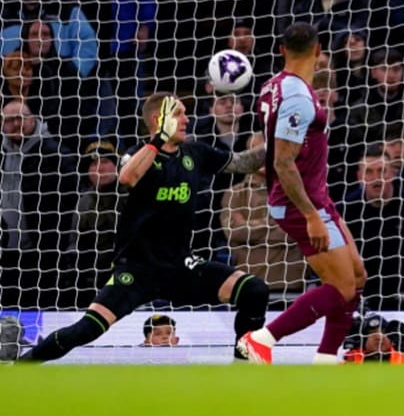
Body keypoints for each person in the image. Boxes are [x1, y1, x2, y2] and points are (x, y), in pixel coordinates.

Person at [19, 93, 271, 363]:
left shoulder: (195, 152)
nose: (187, 119)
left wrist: (279, 141)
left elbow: (243, 163)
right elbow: (128, 177)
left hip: (180, 265)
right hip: (138, 269)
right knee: (87, 329)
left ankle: (244, 365)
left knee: (254, 290)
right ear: (158, 120)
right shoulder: (136, 155)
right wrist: (160, 138)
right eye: (179, 114)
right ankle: (23, 365)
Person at [238, 23, 367, 364]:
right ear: (318, 51)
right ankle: (261, 340)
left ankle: (326, 360)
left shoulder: (272, 87)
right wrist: (311, 215)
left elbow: (278, 150)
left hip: (315, 197)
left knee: (356, 276)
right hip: (301, 203)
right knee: (341, 286)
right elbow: (283, 160)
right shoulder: (296, 95)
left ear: (282, 50)